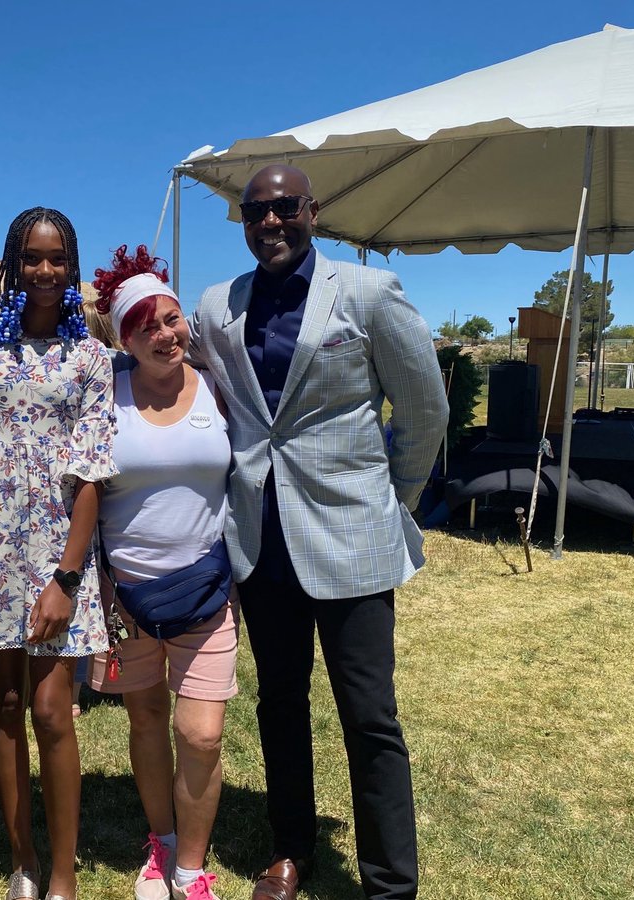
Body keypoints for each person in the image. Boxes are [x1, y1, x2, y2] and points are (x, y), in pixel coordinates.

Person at [188, 165, 448, 900]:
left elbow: (424, 410)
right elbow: (175, 369)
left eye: (284, 207)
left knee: (370, 717)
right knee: (281, 702)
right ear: (242, 221)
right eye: (255, 211)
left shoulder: (368, 293)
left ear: (313, 211)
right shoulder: (219, 304)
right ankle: (289, 849)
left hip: (352, 536)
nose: (270, 222)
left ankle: (389, 882)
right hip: (259, 540)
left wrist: (389, 498)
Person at [0, 207, 117, 900]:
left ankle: (63, 872)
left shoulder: (91, 357)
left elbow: (93, 470)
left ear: (71, 267)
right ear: (12, 264)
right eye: (31, 258)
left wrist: (68, 579)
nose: (45, 272)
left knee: (53, 712)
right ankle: (21, 859)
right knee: (9, 703)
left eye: (57, 259)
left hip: (59, 552)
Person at [88, 245, 237, 900]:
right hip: (126, 599)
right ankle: (164, 845)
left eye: (171, 319)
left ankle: (192, 869)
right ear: (124, 337)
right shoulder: (104, 396)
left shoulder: (217, 386)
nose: (164, 334)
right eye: (144, 325)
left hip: (206, 590)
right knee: (145, 721)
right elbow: (80, 493)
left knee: (200, 735)